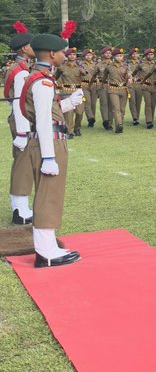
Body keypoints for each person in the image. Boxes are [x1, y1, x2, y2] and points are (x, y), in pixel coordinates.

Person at [20, 31, 86, 267]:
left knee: (50, 195)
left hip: (50, 138)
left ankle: (48, 246)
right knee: (49, 196)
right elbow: (44, 121)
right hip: (48, 142)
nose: (63, 55)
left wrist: (70, 103)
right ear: (51, 54)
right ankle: (46, 252)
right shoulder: (42, 81)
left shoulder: (42, 77)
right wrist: (48, 156)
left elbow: (50, 113)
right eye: (61, 52)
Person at [7, 21, 36, 225]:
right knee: (23, 164)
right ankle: (20, 211)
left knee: (22, 163)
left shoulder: (21, 68)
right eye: (32, 45)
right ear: (25, 49)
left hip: (20, 119)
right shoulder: (21, 72)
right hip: (21, 120)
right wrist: (22, 133)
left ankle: (20, 207)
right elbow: (18, 102)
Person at [100, 48, 133, 133]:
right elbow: (104, 77)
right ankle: (119, 125)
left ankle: (120, 124)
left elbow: (130, 74)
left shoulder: (126, 66)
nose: (119, 57)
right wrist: (102, 84)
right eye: (117, 56)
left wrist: (130, 78)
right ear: (114, 57)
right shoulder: (109, 67)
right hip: (113, 89)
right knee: (116, 108)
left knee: (122, 110)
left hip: (123, 89)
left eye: (121, 56)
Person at [57, 44, 84, 137]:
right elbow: (57, 77)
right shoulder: (62, 67)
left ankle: (77, 128)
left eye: (74, 54)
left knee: (80, 112)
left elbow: (85, 75)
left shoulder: (80, 67)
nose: (72, 56)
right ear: (67, 56)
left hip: (77, 92)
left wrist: (83, 72)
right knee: (69, 113)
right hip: (66, 92)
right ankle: (70, 132)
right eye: (70, 54)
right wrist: (59, 88)